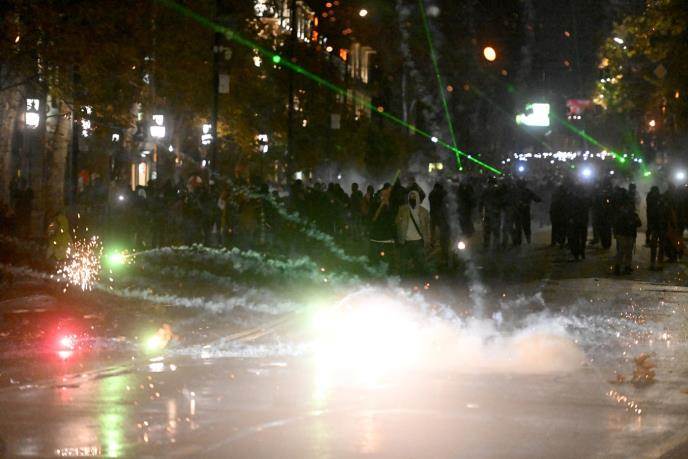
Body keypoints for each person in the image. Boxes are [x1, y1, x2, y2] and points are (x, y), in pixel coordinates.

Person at [395, 190, 431, 275]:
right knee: (403, 264)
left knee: (420, 264)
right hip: (405, 240)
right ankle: (403, 283)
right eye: (410, 197)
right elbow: (396, 222)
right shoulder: (402, 209)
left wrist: (428, 239)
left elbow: (427, 226)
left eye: (414, 197)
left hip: (418, 240)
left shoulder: (423, 211)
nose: (412, 198)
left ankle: (421, 281)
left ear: (418, 198)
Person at [613, 194, 641, 275]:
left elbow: (639, 223)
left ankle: (625, 267)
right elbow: (618, 224)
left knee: (627, 252)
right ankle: (619, 267)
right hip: (624, 234)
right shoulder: (622, 215)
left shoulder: (632, 215)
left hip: (628, 235)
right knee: (622, 252)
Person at [368, 187, 396, 266]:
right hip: (376, 238)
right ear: (380, 196)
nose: (385, 197)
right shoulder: (375, 205)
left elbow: (394, 219)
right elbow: (373, 219)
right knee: (374, 261)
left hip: (388, 238)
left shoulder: (392, 206)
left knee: (388, 261)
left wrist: (388, 206)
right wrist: (381, 206)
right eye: (383, 195)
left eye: (387, 195)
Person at [512, 179, 541, 245]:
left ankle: (520, 242)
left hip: (519, 212)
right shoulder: (527, 191)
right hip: (523, 211)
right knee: (526, 227)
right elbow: (537, 199)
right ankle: (528, 241)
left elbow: (537, 198)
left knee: (519, 227)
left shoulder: (515, 192)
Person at [646, 186, 665, 270]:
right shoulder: (652, 199)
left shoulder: (656, 200)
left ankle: (656, 263)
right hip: (657, 225)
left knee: (659, 246)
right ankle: (655, 263)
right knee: (657, 246)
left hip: (658, 226)